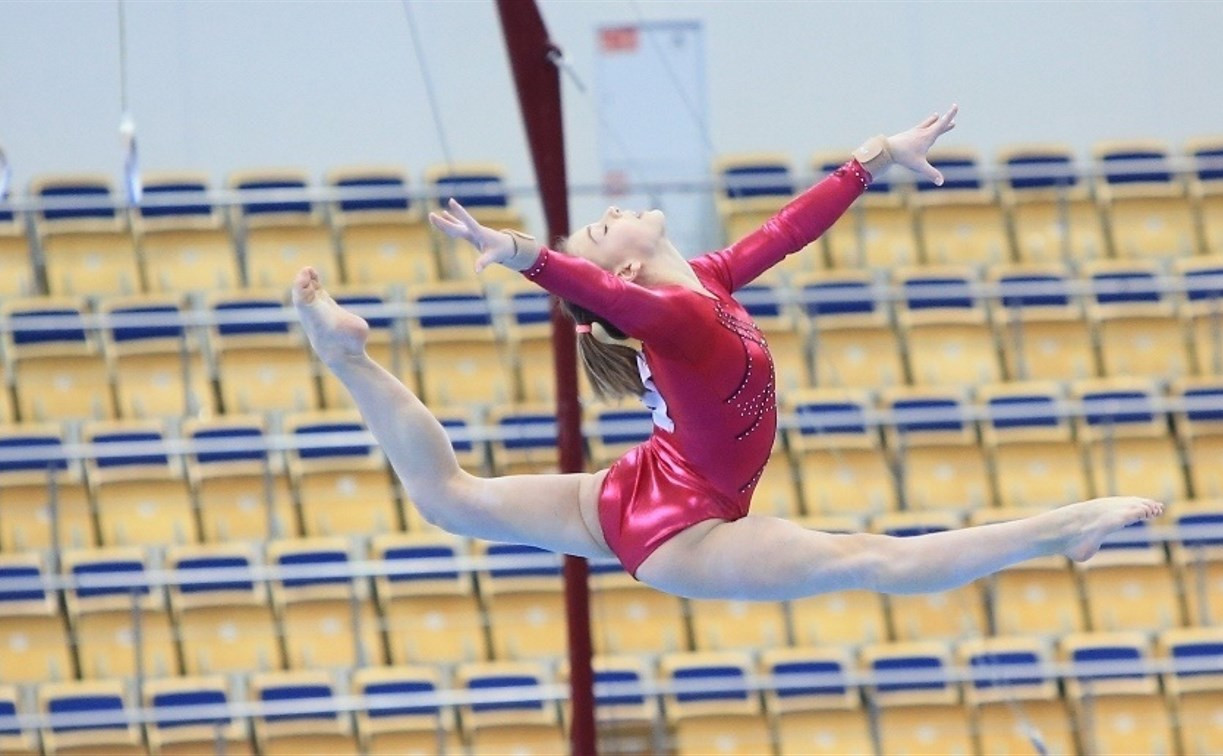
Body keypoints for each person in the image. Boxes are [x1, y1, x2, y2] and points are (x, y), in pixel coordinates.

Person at [293, 105, 1162, 602]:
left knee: (450, 498)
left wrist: (874, 160)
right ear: (628, 263)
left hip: (643, 485)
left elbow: (786, 230)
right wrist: (523, 252)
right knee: (876, 559)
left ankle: (347, 360)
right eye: (602, 227)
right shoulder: (674, 319)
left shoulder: (705, 281)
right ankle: (1067, 527)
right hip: (689, 527)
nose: (615, 207)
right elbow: (597, 294)